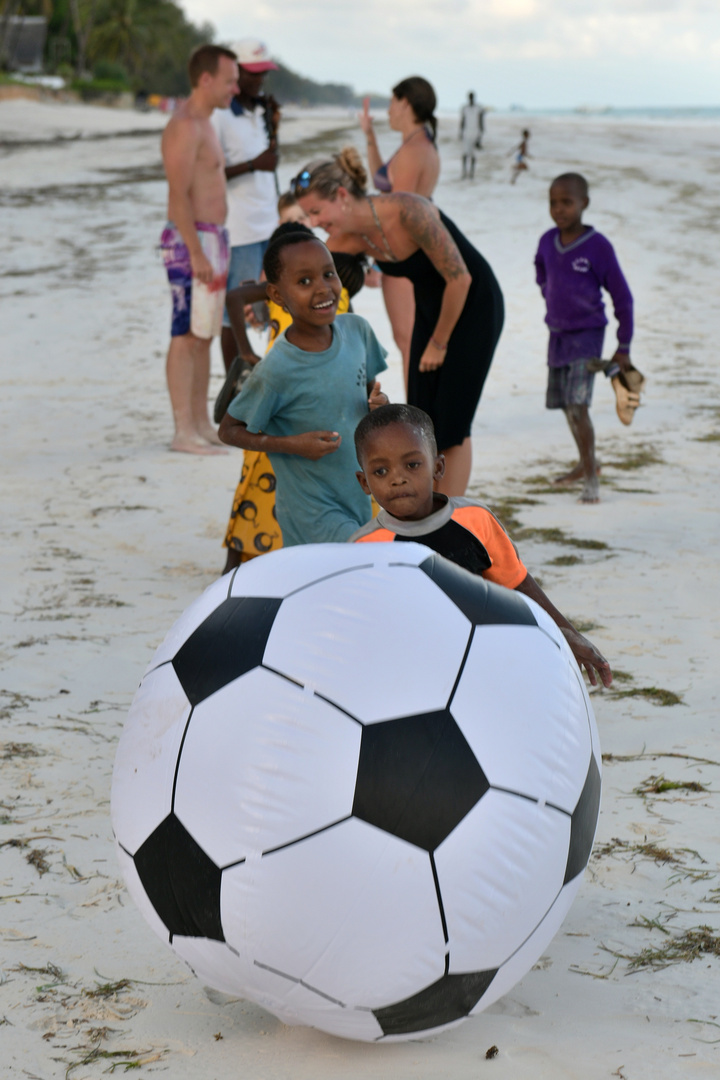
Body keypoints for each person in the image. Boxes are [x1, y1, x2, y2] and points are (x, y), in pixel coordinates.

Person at [351, 404, 613, 687]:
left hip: (486, 666)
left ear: (438, 467)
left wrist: (566, 633)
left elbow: (519, 584)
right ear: (364, 482)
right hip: (414, 676)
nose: (397, 478)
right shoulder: (364, 548)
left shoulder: (475, 520)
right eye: (380, 471)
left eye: (412, 465)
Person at [292, 147, 504, 496]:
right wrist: (258, 295)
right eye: (308, 214)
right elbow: (305, 270)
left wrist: (439, 343)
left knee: (453, 421)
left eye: (316, 211)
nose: (314, 221)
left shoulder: (409, 210)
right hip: (431, 310)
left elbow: (460, 279)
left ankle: (450, 514)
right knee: (424, 417)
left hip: (473, 305)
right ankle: (428, 506)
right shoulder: (346, 237)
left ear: (342, 196)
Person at [218, 230, 389, 547]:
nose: (323, 288)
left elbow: (367, 397)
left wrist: (378, 404)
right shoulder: (276, 369)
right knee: (363, 557)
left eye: (328, 274)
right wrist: (293, 444)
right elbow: (229, 430)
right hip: (310, 511)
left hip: (358, 495)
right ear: (277, 295)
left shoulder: (357, 331)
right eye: (304, 282)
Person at [535, 172, 634, 503]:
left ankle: (591, 476)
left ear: (584, 204)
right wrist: (551, 294)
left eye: (567, 202)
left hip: (588, 337)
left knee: (579, 405)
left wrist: (624, 346)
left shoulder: (598, 246)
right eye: (553, 202)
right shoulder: (547, 241)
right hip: (558, 335)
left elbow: (623, 298)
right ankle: (584, 462)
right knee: (566, 406)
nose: (559, 209)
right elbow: (541, 272)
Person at [159, 43, 238, 454]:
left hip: (213, 238)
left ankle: (201, 422)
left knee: (204, 335)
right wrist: (195, 252)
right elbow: (178, 197)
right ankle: (182, 431)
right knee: (186, 334)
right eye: (230, 80)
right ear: (206, 79)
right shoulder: (185, 125)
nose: (235, 88)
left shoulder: (209, 123)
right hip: (192, 240)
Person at [359, 77, 440, 389]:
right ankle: (417, 413)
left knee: (408, 340)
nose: (389, 110)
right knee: (409, 339)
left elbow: (396, 216)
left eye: (392, 102)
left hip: (406, 254)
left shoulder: (412, 151)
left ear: (405, 102)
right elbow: (384, 180)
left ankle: (415, 417)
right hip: (417, 250)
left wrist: (377, 263)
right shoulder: (417, 144)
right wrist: (369, 135)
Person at [211, 38, 280, 373]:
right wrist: (254, 164)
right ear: (235, 72)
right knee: (233, 314)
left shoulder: (259, 110)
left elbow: (272, 163)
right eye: (254, 73)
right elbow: (210, 174)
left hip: (269, 223)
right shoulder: (220, 116)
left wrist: (273, 124)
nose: (260, 80)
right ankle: (234, 387)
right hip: (240, 230)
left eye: (264, 72)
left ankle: (267, 379)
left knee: (272, 304)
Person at [459, 91, 484, 179]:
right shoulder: (465, 108)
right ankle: (464, 172)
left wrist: (480, 136)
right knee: (465, 154)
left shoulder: (479, 108)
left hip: (475, 133)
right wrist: (460, 132)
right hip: (466, 133)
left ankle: (471, 174)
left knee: (473, 155)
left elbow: (481, 122)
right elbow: (462, 121)